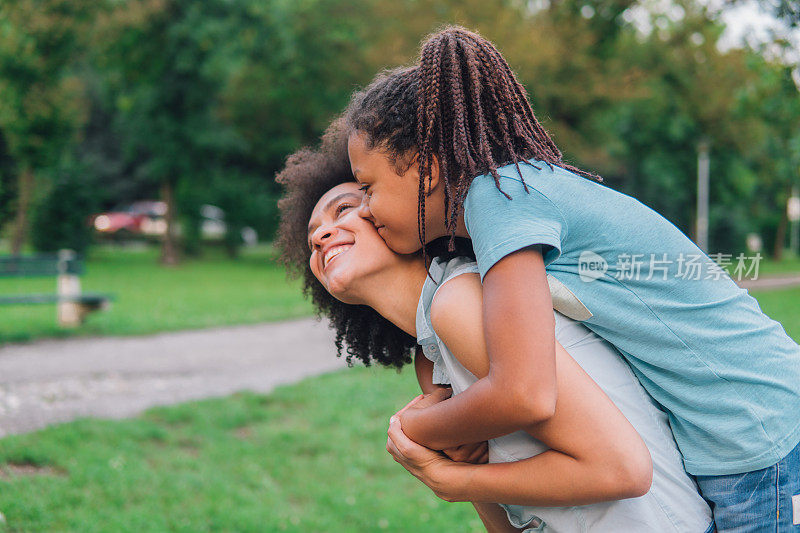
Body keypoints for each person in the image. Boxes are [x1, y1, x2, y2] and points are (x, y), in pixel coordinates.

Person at [342, 26, 800, 530]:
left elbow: (525, 393)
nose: (364, 208)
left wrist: (412, 429)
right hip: (738, 439)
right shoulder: (512, 197)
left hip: (758, 435)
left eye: (367, 187)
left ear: (424, 168)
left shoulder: (500, 199)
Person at [277, 162, 713, 530]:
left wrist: (447, 474)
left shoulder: (461, 301)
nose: (320, 236)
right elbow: (508, 522)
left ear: (394, 215)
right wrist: (458, 458)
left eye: (347, 208)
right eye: (313, 234)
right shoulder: (431, 359)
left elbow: (622, 469)